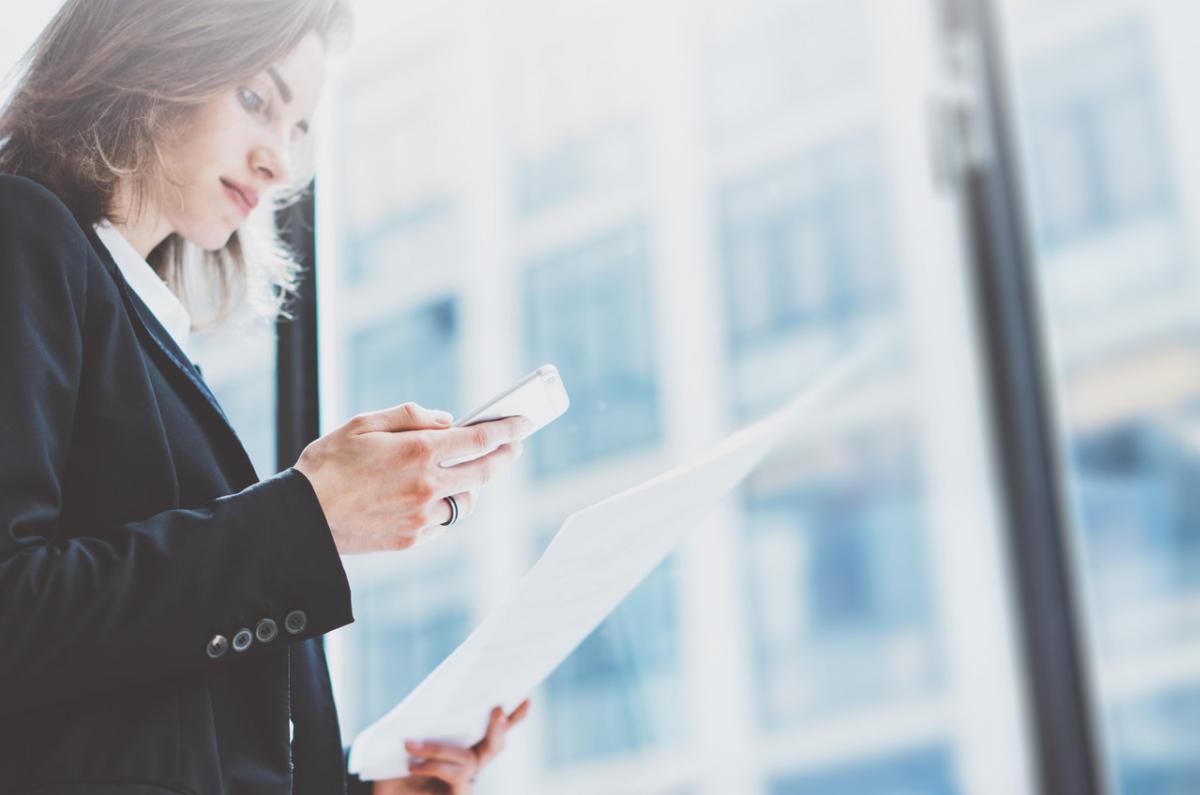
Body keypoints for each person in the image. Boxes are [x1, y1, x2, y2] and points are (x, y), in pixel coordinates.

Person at [0, 1, 531, 792]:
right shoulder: (23, 234)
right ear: (152, 59)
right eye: (258, 100)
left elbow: (164, 716)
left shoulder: (150, 332)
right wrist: (308, 516)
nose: (279, 163)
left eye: (298, 128)